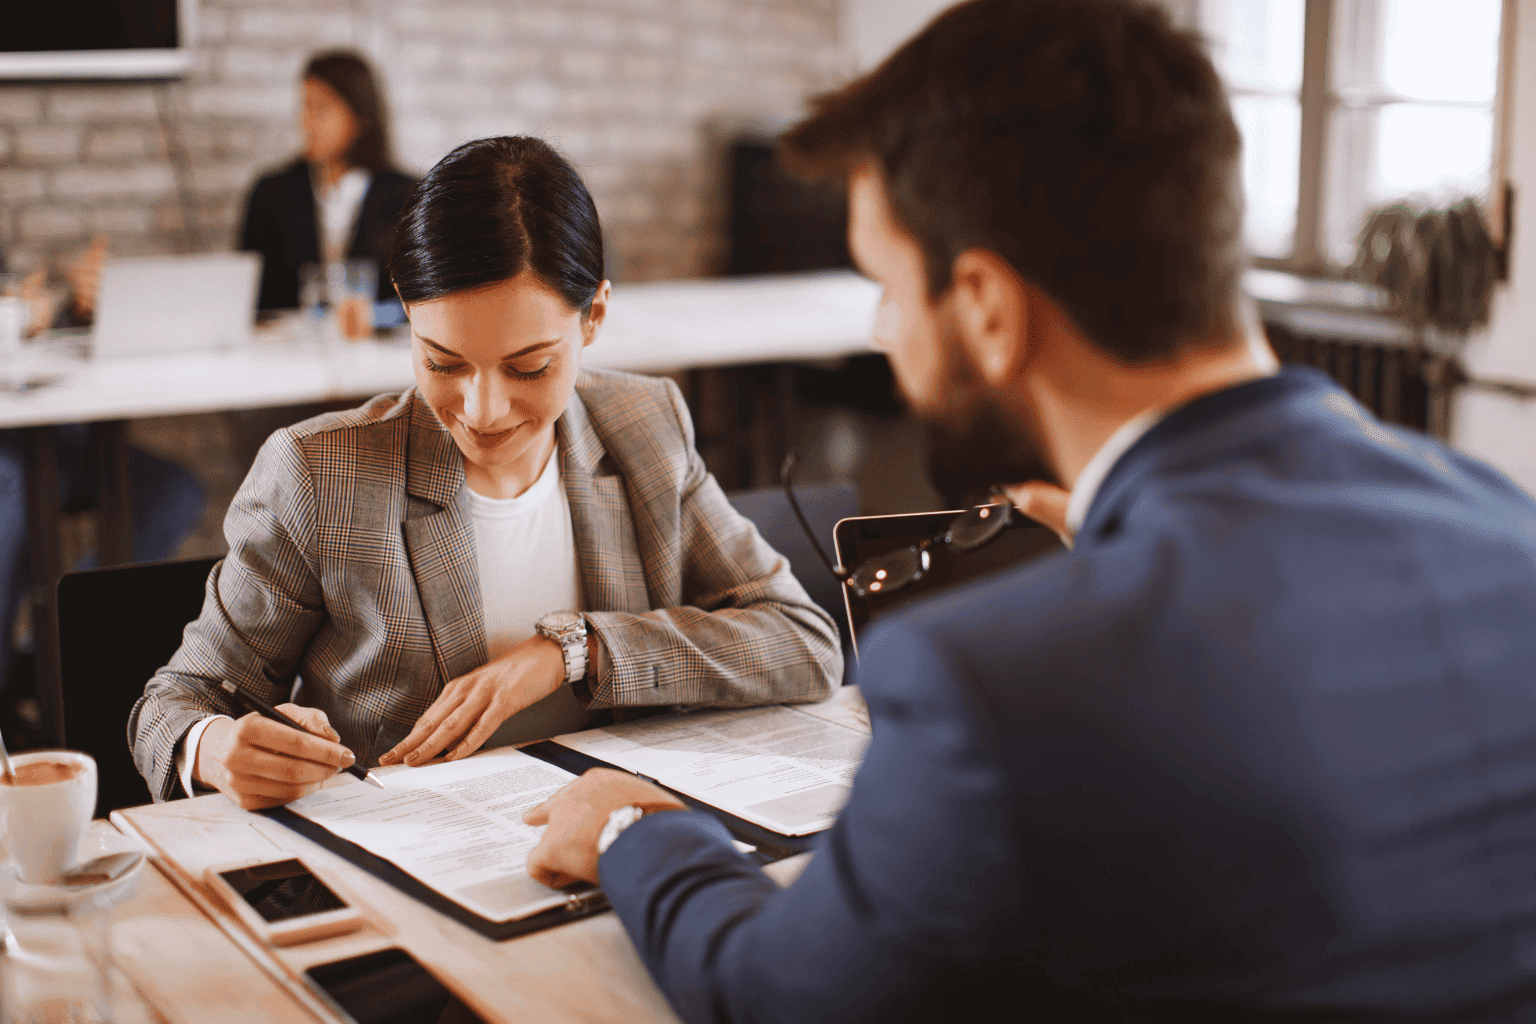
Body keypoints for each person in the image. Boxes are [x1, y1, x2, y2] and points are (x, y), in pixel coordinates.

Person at [523, 1, 1536, 1020]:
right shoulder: (1505, 528)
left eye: (888, 290)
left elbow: (777, 997)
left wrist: (635, 832)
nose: (886, 333)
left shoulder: (992, 679)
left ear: (987, 309)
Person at [129, 135, 842, 809]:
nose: (482, 410)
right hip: (407, 851)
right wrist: (214, 748)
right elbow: (175, 704)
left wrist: (576, 650)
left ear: (593, 316)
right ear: (406, 309)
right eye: (443, 363)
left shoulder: (645, 426)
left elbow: (804, 642)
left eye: (529, 367)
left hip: (605, 836)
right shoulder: (320, 474)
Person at [0, 244, 204, 733]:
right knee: (15, 489)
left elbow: (24, 324)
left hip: (39, 430)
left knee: (171, 490)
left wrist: (73, 310)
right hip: (10, 449)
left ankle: (60, 654)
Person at [238, 50, 416, 312]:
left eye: (321, 109)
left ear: (360, 116)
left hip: (378, 337)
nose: (307, 122)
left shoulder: (409, 196)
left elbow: (421, 299)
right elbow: (249, 295)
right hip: (289, 337)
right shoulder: (271, 193)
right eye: (305, 106)